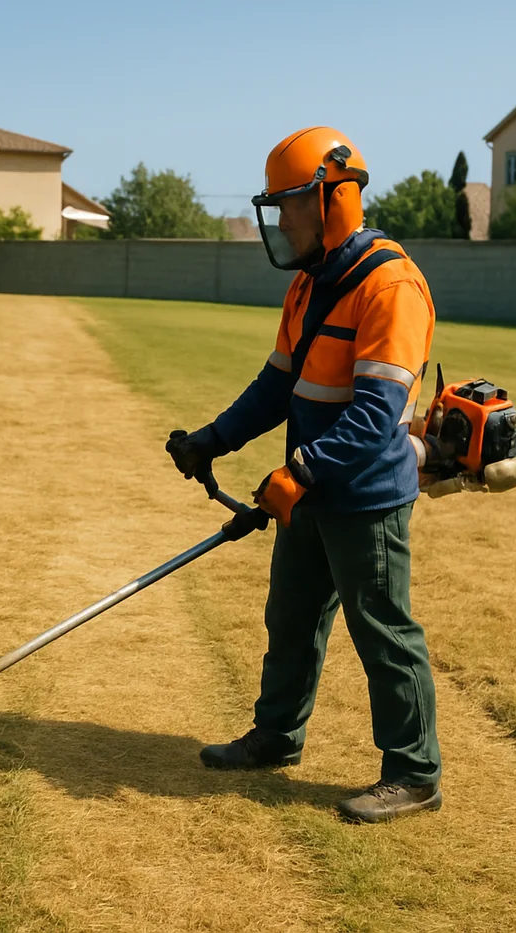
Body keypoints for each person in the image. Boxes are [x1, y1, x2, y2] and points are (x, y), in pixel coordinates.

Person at [166, 127, 441, 824]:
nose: (281, 221)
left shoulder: (390, 287)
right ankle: (276, 737)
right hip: (309, 493)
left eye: (290, 205)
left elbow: (378, 414)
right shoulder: (307, 285)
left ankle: (413, 772)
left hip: (364, 499)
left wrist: (302, 470)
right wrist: (212, 440)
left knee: (383, 630)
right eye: (278, 207)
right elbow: (275, 387)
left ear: (334, 200)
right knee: (289, 617)